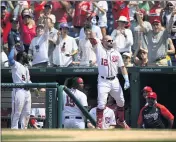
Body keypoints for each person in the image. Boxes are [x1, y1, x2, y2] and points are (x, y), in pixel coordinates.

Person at [89, 34, 130, 129]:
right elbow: (92, 40)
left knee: (121, 102)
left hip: (114, 80)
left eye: (112, 40)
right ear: (103, 41)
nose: (111, 42)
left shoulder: (116, 53)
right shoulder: (99, 49)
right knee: (101, 103)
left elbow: (122, 67)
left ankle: (121, 120)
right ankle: (99, 123)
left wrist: (126, 79)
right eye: (108, 41)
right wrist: (91, 32)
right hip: (103, 80)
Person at [8, 44, 39, 129]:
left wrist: (35, 89)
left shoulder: (26, 68)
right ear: (21, 57)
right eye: (25, 55)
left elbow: (28, 80)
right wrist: (13, 48)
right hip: (19, 91)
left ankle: (23, 131)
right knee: (16, 112)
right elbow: (10, 59)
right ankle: (14, 130)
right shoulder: (16, 65)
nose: (27, 56)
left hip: (27, 92)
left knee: (27, 113)